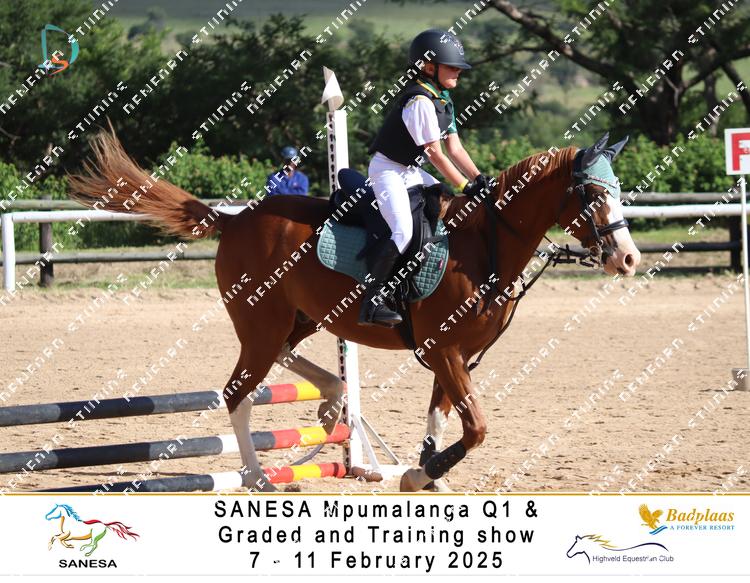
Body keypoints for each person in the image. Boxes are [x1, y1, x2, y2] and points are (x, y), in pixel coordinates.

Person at [359, 28, 495, 327]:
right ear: (429, 67)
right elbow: (435, 154)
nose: (458, 72)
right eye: (452, 67)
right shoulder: (419, 101)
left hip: (409, 170)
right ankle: (372, 302)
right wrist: (465, 185)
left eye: (458, 67)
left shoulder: (442, 99)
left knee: (445, 200)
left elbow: (455, 148)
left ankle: (418, 274)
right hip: (387, 170)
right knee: (403, 231)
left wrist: (479, 178)